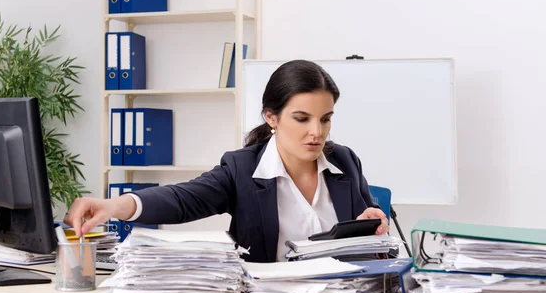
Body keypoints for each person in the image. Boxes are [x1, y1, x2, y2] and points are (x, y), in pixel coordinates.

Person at [65, 59, 388, 263]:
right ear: (271, 117)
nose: (316, 132)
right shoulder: (242, 169)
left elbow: (365, 246)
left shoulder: (344, 161)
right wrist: (112, 207)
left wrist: (374, 231)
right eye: (302, 118)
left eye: (325, 119)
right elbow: (183, 199)